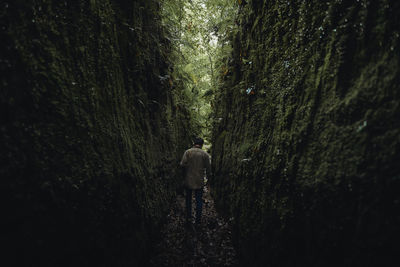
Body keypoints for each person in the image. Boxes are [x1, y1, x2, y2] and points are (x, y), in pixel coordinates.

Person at [180, 137, 211, 226]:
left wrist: (184, 176)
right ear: (201, 145)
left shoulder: (188, 152)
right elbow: (209, 170)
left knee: (188, 200)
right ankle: (198, 221)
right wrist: (209, 181)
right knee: (199, 201)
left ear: (194, 143)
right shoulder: (205, 154)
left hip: (188, 180)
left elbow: (182, 164)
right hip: (199, 181)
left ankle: (188, 219)